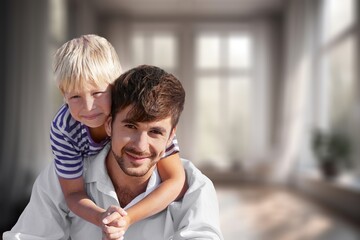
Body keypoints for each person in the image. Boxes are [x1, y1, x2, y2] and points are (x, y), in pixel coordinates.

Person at [3, 65, 224, 240]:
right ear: (109, 125)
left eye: (155, 132)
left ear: (170, 136)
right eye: (130, 127)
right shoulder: (63, 176)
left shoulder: (197, 188)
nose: (140, 146)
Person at [50, 35, 187, 237]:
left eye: (97, 93)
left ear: (115, 86)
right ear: (64, 95)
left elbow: (175, 180)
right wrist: (101, 218)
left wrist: (128, 217)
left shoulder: (141, 112)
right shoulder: (64, 129)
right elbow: (72, 193)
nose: (88, 107)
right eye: (75, 96)